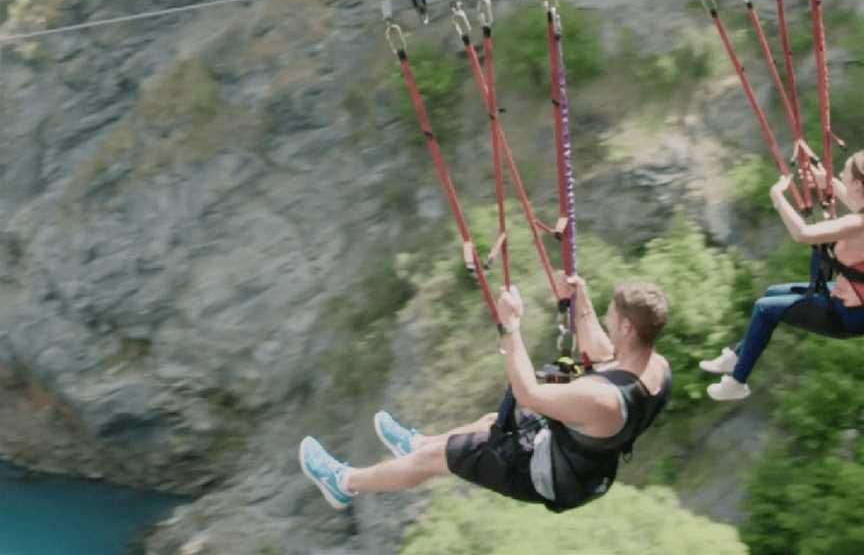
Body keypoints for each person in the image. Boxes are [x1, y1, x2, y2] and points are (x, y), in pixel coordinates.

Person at [299, 274, 672, 512]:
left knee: (443, 458)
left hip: (540, 474)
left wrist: (510, 327)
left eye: (611, 316)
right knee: (492, 422)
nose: (607, 320)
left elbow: (528, 392)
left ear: (625, 326)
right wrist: (582, 300)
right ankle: (416, 445)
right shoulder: (657, 369)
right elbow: (604, 354)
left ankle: (344, 483)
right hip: (577, 460)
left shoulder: (601, 400)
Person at [701, 152, 864, 401]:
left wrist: (778, 197)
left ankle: (737, 382)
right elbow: (853, 202)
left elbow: (803, 233)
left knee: (765, 309)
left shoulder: (857, 224)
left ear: (858, 185)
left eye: (844, 173)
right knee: (771, 293)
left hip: (848, 314)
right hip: (848, 299)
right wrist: (826, 182)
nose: (839, 175)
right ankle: (737, 356)